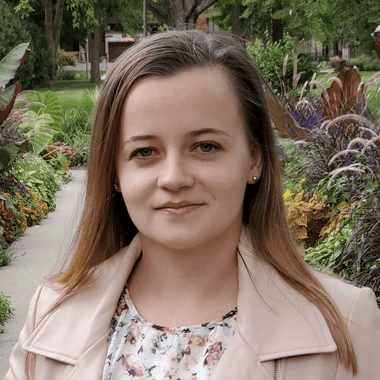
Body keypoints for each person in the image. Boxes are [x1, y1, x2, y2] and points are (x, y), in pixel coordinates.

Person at [5, 30, 380, 380]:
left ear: (254, 159)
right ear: (115, 173)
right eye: (145, 151)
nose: (173, 178)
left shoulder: (345, 323)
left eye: (206, 147)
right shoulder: (50, 316)